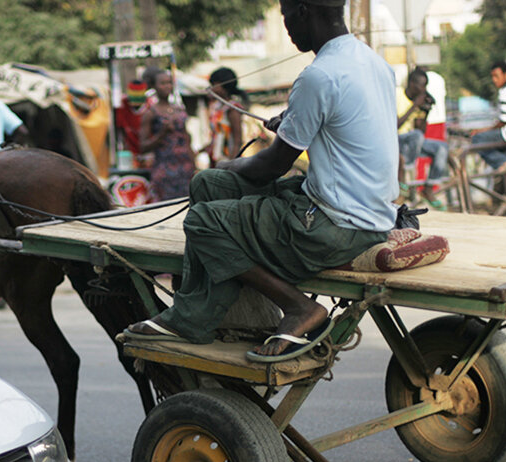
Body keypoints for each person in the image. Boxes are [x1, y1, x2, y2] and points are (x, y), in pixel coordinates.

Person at [124, 0, 397, 362]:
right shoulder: (374, 63)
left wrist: (230, 164)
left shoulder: (319, 75)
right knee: (207, 185)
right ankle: (200, 312)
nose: (287, 27)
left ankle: (296, 307)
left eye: (286, 16)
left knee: (204, 221)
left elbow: (270, 167)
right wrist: (289, 121)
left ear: (303, 11)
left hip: (334, 226)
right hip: (369, 213)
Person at [138, 70, 196, 201]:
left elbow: (187, 139)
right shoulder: (150, 113)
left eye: (169, 83)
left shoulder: (179, 109)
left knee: (187, 203)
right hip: (164, 168)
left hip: (185, 168)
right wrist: (162, 133)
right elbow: (143, 147)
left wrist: (193, 164)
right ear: (154, 86)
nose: (167, 86)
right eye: (162, 83)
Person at [397, 67, 449, 205]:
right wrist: (414, 106)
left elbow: (421, 132)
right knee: (416, 136)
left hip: (413, 144)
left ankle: (429, 188)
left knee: (441, 148)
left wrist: (426, 112)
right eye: (422, 85)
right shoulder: (398, 95)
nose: (424, 89)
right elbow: (395, 125)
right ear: (412, 84)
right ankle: (405, 174)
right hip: (397, 141)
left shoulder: (418, 101)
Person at [207, 67, 245, 167]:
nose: (211, 88)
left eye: (214, 85)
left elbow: (238, 140)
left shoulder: (232, 108)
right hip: (217, 158)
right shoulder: (218, 107)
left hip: (228, 159)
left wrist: (231, 164)